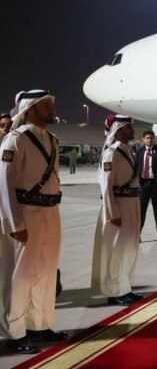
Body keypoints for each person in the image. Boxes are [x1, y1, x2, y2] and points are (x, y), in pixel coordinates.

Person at [0, 90, 66, 354]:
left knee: (46, 272)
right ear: (29, 110)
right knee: (20, 276)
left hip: (50, 213)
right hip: (26, 214)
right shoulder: (15, 140)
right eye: (45, 105)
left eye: (51, 105)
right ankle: (15, 332)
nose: (51, 109)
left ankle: (39, 324)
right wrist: (14, 224)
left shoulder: (51, 139)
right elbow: (4, 185)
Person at [91, 114, 142, 306]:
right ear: (118, 131)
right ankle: (114, 291)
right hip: (119, 205)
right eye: (128, 127)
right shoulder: (111, 153)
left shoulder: (127, 150)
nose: (131, 130)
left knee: (129, 248)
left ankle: (125, 287)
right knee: (117, 250)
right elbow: (106, 186)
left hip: (131, 203)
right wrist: (112, 214)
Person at [135, 130, 157, 240]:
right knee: (141, 210)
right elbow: (135, 167)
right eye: (147, 138)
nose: (149, 140)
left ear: (154, 139)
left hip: (156, 185)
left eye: (151, 138)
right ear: (143, 139)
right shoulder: (139, 152)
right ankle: (137, 234)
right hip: (143, 184)